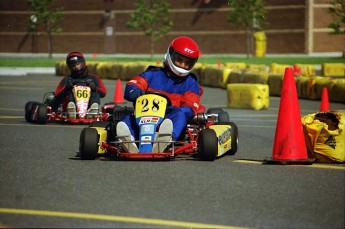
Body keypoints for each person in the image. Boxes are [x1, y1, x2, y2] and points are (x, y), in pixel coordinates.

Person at [117, 36, 201, 153]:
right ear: (170, 55)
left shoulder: (191, 83)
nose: (182, 65)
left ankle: (165, 139)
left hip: (169, 119)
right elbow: (135, 83)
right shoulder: (152, 74)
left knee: (180, 115)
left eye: (187, 63)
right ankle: (129, 141)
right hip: (144, 119)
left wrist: (173, 109)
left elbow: (191, 107)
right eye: (179, 60)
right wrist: (134, 91)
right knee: (127, 118)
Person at [50, 51, 107, 118]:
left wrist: (95, 88)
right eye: (72, 65)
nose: (75, 67)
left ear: (82, 63)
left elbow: (103, 93)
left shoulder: (93, 78)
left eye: (77, 64)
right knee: (70, 92)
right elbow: (57, 95)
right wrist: (66, 88)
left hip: (88, 106)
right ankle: (71, 110)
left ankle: (92, 110)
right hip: (70, 105)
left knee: (95, 93)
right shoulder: (67, 79)